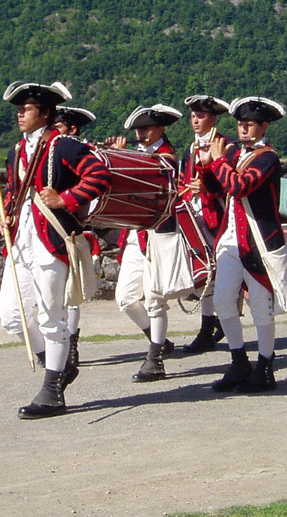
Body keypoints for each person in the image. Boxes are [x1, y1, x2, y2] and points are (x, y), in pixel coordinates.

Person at [0, 81, 111, 419]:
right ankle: (57, 367)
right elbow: (14, 192)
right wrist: (4, 217)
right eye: (19, 108)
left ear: (44, 114)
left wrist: (66, 199)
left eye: (26, 108)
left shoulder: (64, 146)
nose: (20, 113)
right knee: (12, 317)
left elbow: (100, 175)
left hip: (51, 241)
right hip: (20, 243)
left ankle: (52, 392)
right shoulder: (17, 150)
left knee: (50, 317)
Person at [197, 96, 287, 393]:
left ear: (263, 127)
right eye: (240, 124)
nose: (243, 129)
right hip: (232, 238)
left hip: (258, 242)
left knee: (260, 306)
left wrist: (218, 161)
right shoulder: (237, 155)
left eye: (249, 124)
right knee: (224, 300)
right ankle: (238, 361)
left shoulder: (267, 157)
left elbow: (241, 186)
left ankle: (265, 366)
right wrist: (206, 168)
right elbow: (219, 189)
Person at [109, 104, 183, 382]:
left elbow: (153, 180)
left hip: (159, 235)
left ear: (160, 129)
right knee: (126, 299)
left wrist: (121, 157)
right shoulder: (140, 155)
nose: (141, 134)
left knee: (154, 299)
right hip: (135, 234)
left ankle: (155, 359)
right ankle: (160, 341)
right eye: (139, 129)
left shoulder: (167, 158)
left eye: (146, 129)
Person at [177, 94, 230, 353]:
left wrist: (207, 188)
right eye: (193, 116)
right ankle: (209, 325)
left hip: (216, 216)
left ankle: (216, 324)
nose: (195, 120)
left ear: (213, 118)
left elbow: (229, 184)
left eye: (200, 116)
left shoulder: (224, 146)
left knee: (216, 273)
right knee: (205, 274)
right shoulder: (189, 148)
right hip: (194, 214)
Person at [52, 105, 103, 374]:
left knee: (71, 294)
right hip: (58, 226)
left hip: (74, 226)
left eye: (59, 127)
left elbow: (95, 182)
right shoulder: (55, 151)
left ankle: (71, 343)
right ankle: (62, 346)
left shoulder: (76, 151)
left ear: (72, 129)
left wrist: (67, 201)